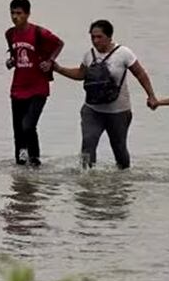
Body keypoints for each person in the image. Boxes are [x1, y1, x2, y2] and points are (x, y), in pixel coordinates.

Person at [54, 20, 157, 170]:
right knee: (88, 142)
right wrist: (58, 69)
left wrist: (151, 96)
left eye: (99, 37)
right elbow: (80, 74)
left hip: (118, 112)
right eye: (93, 37)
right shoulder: (89, 55)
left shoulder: (124, 54)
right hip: (92, 110)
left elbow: (140, 74)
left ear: (109, 37)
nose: (95, 41)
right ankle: (87, 180)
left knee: (119, 148)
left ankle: (123, 181)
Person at [4, 0, 65, 167]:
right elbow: (15, 56)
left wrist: (50, 61)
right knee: (18, 129)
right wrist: (11, 61)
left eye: (19, 13)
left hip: (38, 88)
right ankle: (21, 165)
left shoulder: (39, 32)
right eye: (12, 13)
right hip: (18, 87)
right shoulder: (10, 34)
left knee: (28, 125)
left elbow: (59, 43)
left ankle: (36, 160)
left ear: (27, 14)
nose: (15, 17)